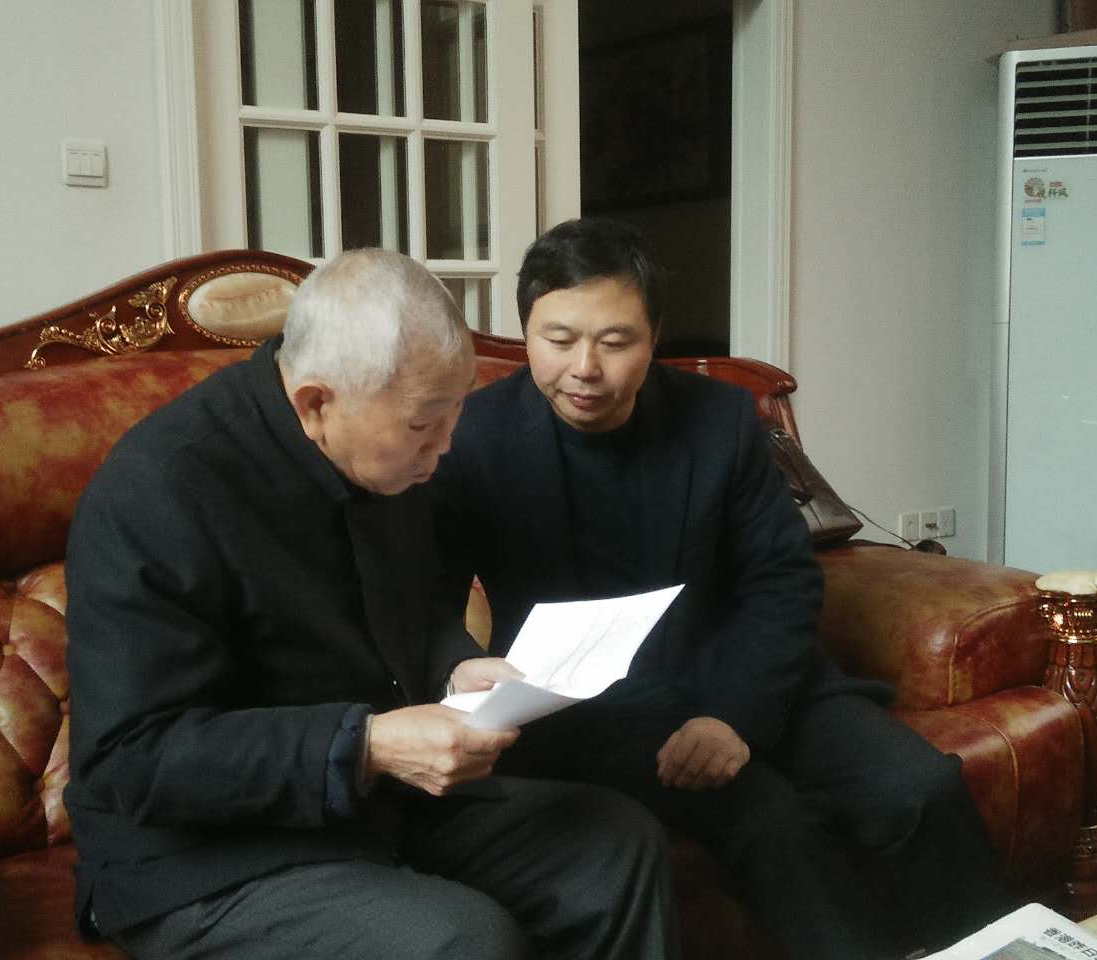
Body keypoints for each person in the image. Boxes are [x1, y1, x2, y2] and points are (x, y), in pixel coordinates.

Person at [64, 248, 678, 960]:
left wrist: (455, 667)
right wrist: (367, 745)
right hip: (203, 858)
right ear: (316, 404)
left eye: (454, 412)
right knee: (463, 942)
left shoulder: (391, 457)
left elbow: (414, 610)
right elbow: (131, 759)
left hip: (371, 804)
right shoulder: (159, 489)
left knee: (613, 846)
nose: (445, 447)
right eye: (424, 425)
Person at [430, 218, 1008, 960]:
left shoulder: (718, 421)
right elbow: (426, 595)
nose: (585, 368)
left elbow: (781, 579)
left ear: (654, 337)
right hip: (593, 707)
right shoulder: (473, 436)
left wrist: (735, 715)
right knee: (772, 822)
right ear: (526, 332)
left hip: (745, 670)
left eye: (615, 341)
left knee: (919, 788)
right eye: (559, 339)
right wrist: (461, 668)